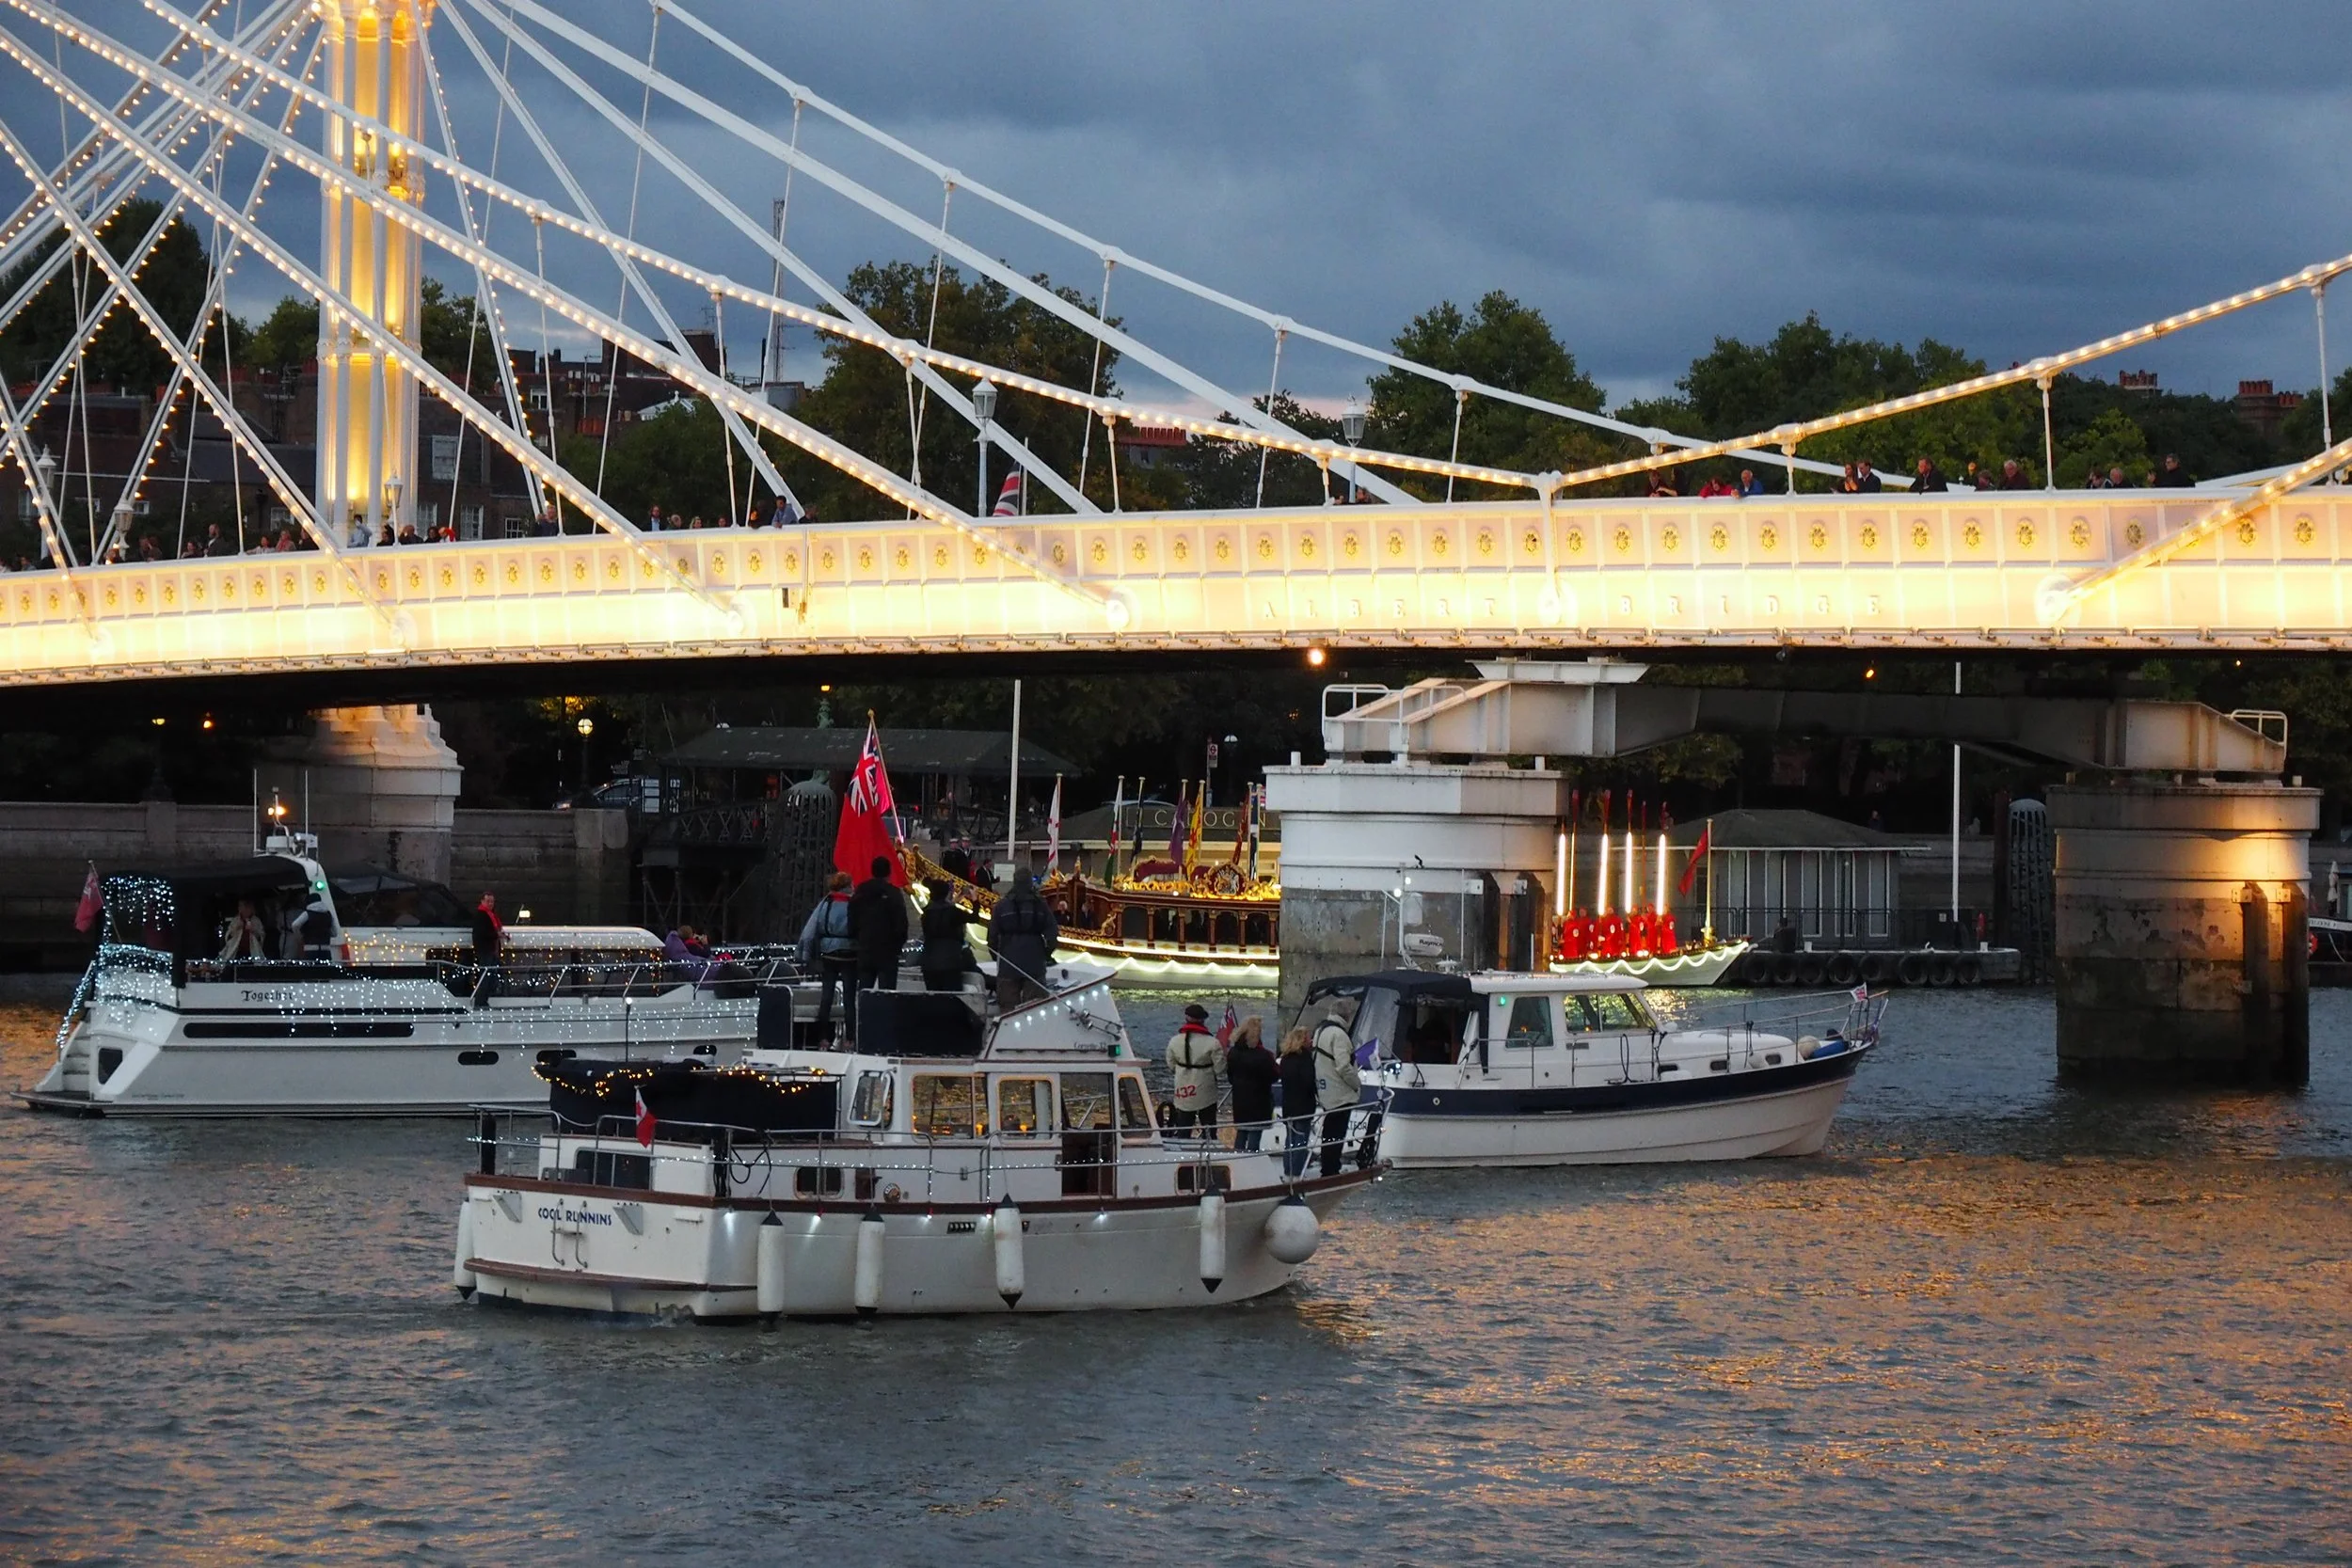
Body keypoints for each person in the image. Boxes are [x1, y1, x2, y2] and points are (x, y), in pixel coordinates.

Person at [797, 872, 858, 1041]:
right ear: (848, 886)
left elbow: (811, 928)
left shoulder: (826, 903)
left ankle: (823, 1038)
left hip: (828, 954)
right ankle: (850, 1039)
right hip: (850, 954)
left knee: (826, 996)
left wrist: (804, 953)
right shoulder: (854, 904)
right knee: (849, 999)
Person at [987, 868, 1059, 1009]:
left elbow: (992, 937)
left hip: (1009, 962)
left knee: (1008, 1009)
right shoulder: (1040, 905)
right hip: (1034, 962)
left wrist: (997, 957)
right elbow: (1052, 934)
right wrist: (1045, 954)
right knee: (1034, 1008)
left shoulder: (1002, 906)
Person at [848, 855, 909, 1005]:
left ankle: (863, 1017)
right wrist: (898, 945)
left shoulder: (860, 892)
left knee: (864, 992)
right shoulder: (893, 893)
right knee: (887, 994)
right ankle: (885, 1018)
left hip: (865, 947)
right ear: (889, 872)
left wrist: (856, 938)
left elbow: (852, 918)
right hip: (888, 950)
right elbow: (901, 922)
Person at [1311, 1006, 1362, 1178]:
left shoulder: (1320, 1031)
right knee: (1337, 1134)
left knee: (1329, 1132)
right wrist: (1356, 1084)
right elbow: (1343, 1066)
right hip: (1340, 1092)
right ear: (1346, 1016)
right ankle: (1332, 1169)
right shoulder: (1339, 1035)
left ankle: (1327, 1167)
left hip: (1325, 1089)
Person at [1165, 1004, 1223, 1140]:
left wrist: (1181, 1071)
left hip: (1183, 1088)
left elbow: (1171, 1064)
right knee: (1209, 1126)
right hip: (1205, 1088)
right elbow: (1220, 1068)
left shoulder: (1174, 1041)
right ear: (1203, 1020)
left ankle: (1182, 1148)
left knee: (1183, 1125)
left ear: (1186, 1018)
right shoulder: (1213, 1043)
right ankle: (1209, 1148)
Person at [1224, 1016, 1276, 1152]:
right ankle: (1251, 1158)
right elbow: (1274, 1075)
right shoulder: (1263, 1055)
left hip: (1240, 1098)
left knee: (1241, 1132)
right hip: (1259, 1099)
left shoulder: (1233, 1053)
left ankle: (1237, 1157)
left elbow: (1230, 1075)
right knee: (1254, 1133)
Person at [917, 877, 974, 992]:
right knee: (951, 995)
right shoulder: (953, 912)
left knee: (934, 996)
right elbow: (974, 918)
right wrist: (975, 900)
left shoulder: (927, 913)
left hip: (929, 961)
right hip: (950, 960)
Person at [1278, 1027, 1317, 1178]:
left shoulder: (1285, 1059)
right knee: (1301, 1140)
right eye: (1308, 1038)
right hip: (1303, 1105)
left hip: (1288, 1104)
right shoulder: (1305, 1059)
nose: (1310, 1041)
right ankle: (1296, 1172)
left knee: (1290, 1139)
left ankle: (1287, 1170)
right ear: (1302, 1040)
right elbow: (1308, 1081)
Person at [469, 891, 505, 1006]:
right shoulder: (481, 915)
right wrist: (496, 935)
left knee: (489, 976)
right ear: (482, 901)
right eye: (488, 901)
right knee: (485, 977)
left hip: (491, 950)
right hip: (485, 950)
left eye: (492, 901)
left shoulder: (489, 914)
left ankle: (483, 1000)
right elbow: (482, 933)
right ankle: (480, 1002)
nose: (490, 904)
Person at [219, 896, 269, 960]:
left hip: (252, 951)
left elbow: (261, 936)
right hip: (236, 951)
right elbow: (228, 936)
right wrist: (237, 928)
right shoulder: (236, 920)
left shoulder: (256, 921)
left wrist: (253, 930)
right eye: (240, 906)